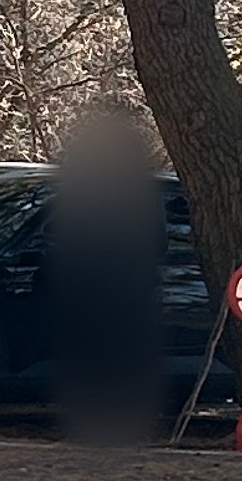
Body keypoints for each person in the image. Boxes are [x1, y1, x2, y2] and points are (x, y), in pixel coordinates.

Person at [48, 101, 164, 442]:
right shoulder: (142, 194)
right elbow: (157, 241)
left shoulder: (84, 194)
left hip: (103, 285)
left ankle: (101, 415)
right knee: (124, 353)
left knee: (104, 352)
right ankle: (122, 415)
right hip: (128, 286)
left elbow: (67, 236)